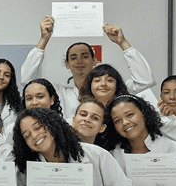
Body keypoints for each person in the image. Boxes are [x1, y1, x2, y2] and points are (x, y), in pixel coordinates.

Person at [20, 21, 155, 119]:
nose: (79, 61)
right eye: (73, 57)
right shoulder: (60, 93)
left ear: (95, 61)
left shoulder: (110, 90)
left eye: (85, 56)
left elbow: (145, 80)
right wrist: (43, 40)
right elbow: (28, 81)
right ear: (67, 64)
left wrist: (122, 42)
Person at [13, 108, 137, 186]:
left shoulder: (96, 155)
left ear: (53, 126)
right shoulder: (27, 166)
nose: (34, 135)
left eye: (38, 127)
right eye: (27, 135)